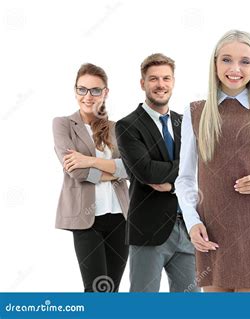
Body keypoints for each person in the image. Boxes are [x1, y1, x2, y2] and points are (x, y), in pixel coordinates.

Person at [175, 30, 250, 292]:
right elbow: (185, 178)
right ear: (215, 63)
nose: (235, 68)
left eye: (245, 61)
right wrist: (192, 222)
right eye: (226, 59)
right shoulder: (196, 111)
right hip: (211, 232)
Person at [115, 53, 197, 292]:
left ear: (173, 82)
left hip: (189, 229)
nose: (161, 85)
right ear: (143, 83)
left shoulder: (187, 123)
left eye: (166, 78)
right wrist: (184, 170)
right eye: (153, 79)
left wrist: (172, 184)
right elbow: (147, 172)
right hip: (149, 232)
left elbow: (202, 169)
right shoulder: (128, 125)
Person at [52, 63, 129, 292]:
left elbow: (132, 170)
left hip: (120, 217)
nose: (88, 96)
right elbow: (75, 172)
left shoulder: (117, 128)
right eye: (82, 89)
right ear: (75, 90)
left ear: (105, 93)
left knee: (112, 290)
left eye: (96, 90)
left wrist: (90, 160)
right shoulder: (63, 124)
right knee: (96, 291)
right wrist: (113, 172)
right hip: (87, 220)